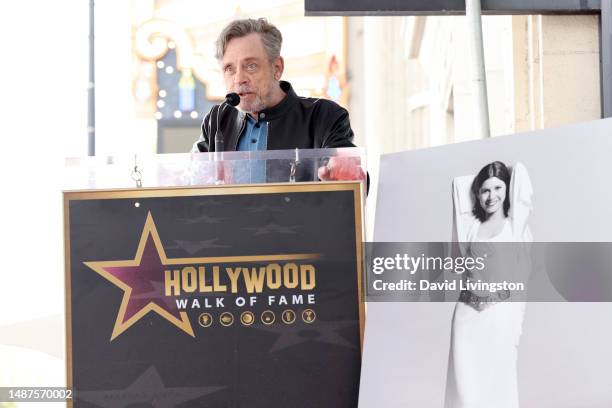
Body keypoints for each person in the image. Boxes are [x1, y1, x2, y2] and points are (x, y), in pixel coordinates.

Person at [191, 18, 363, 183]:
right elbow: (190, 179)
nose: (239, 79)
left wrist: (343, 172)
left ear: (277, 68)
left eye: (251, 66)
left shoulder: (324, 116)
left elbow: (352, 179)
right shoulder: (217, 120)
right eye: (229, 68)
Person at [445, 161, 532, 408]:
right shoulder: (470, 228)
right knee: (465, 393)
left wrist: (518, 322)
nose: (491, 196)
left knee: (497, 389)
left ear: (508, 190)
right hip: (466, 318)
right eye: (484, 190)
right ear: (477, 194)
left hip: (500, 317)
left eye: (498, 188)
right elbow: (458, 188)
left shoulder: (515, 229)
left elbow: (522, 280)